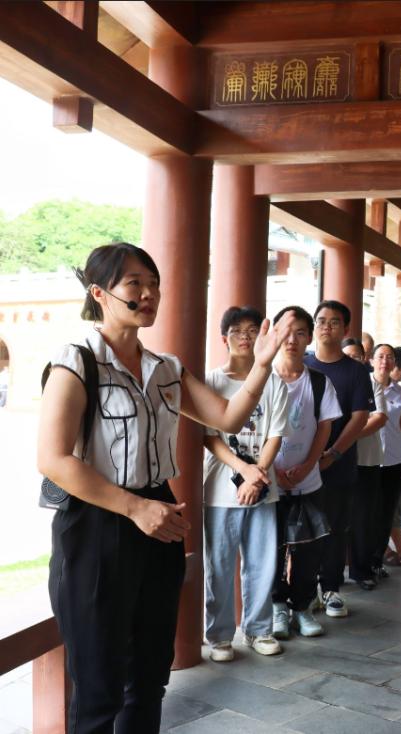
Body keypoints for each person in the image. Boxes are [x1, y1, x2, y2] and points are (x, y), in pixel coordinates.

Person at [37, 243, 292, 732]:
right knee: (98, 689)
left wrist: (261, 365)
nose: (149, 294)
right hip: (98, 523)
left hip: (159, 518)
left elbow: (226, 417)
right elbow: (52, 459)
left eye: (154, 284)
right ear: (99, 293)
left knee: (150, 677)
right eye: (135, 283)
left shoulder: (166, 369)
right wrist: (135, 508)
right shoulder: (76, 363)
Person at [202, 306, 290, 662]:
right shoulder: (211, 381)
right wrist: (244, 469)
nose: (245, 337)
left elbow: (275, 434)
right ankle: (219, 636)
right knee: (219, 565)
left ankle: (258, 629)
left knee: (262, 564)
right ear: (224, 338)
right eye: (237, 330)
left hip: (263, 490)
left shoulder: (275, 382)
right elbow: (210, 436)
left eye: (252, 330)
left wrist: (258, 474)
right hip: (219, 491)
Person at [271, 306, 342, 639]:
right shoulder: (263, 379)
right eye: (286, 332)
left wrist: (307, 465)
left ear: (309, 338)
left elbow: (324, 428)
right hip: (269, 483)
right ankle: (277, 607)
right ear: (275, 335)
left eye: (300, 333)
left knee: (309, 549)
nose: (292, 340)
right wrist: (272, 470)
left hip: (308, 482)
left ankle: (302, 607)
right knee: (271, 549)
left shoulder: (318, 382)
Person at [305, 301, 372, 619]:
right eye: (321, 321)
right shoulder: (301, 364)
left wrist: (333, 453)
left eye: (334, 322)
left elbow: (359, 417)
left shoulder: (356, 371)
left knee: (334, 527)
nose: (326, 327)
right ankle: (304, 592)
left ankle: (331, 588)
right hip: (301, 464)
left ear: (345, 329)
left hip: (339, 463)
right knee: (302, 529)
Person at [370, 344, 401, 574]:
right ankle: (371, 559)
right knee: (370, 512)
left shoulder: (399, 392)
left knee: (388, 512)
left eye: (389, 357)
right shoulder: (364, 386)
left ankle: (379, 558)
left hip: (395, 460)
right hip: (369, 460)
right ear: (372, 361)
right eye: (380, 356)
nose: (385, 361)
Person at [350, 344, 388, 590]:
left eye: (356, 356)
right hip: (334, 460)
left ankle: (362, 570)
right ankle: (330, 574)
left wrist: (347, 437)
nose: (352, 360)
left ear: (364, 359)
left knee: (364, 517)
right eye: (348, 356)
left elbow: (380, 417)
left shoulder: (372, 383)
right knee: (336, 517)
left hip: (366, 459)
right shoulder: (329, 380)